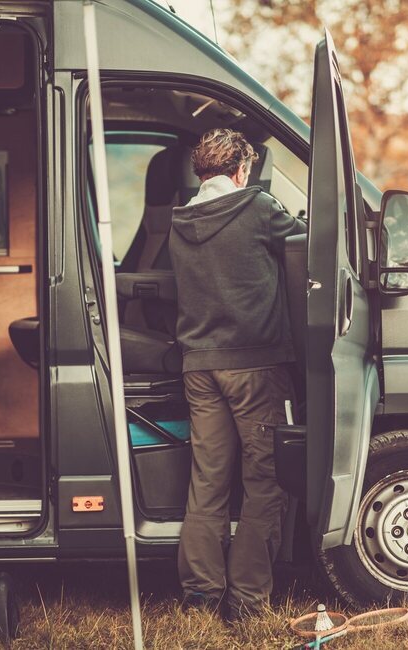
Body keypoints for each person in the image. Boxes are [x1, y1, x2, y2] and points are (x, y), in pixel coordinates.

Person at [168, 128, 306, 622]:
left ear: (199, 172)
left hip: (200, 368)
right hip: (255, 366)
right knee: (264, 480)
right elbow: (309, 244)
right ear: (242, 169)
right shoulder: (258, 207)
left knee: (207, 483)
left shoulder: (179, 221)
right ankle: (247, 602)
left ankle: (201, 596)